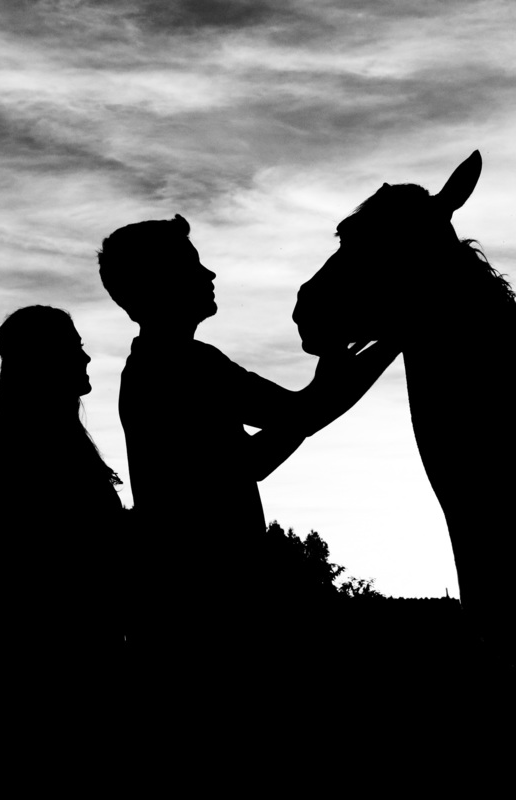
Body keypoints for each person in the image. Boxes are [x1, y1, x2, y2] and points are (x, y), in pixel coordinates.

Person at [97, 214, 399, 668]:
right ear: (161, 282)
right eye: (193, 265)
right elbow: (301, 416)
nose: (209, 274)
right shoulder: (187, 365)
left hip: (184, 606)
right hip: (212, 607)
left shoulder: (150, 368)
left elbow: (254, 459)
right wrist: (397, 336)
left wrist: (320, 394)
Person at [0, 305, 125, 664]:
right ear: (47, 360)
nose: (86, 356)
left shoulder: (28, 451)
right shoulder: (45, 458)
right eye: (75, 347)